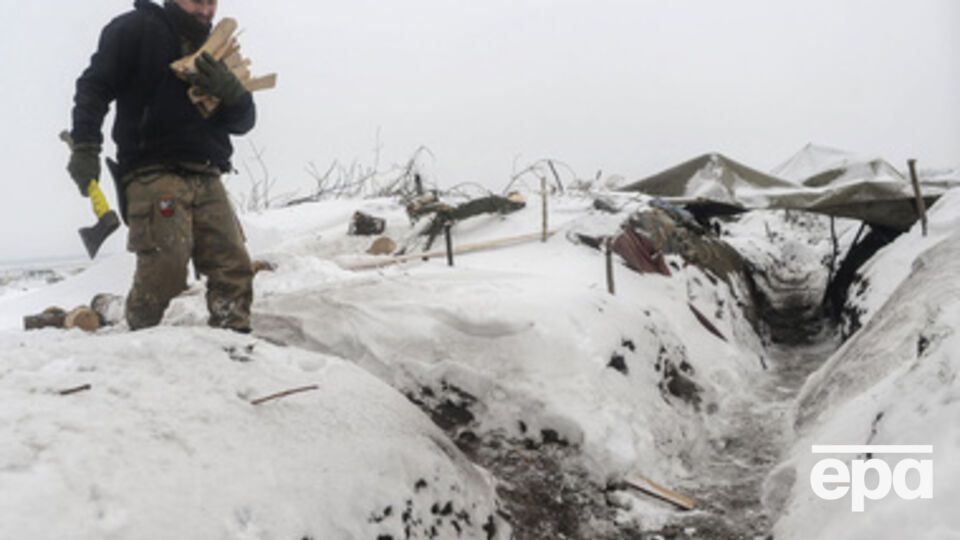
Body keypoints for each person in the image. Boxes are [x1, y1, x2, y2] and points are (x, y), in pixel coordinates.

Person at [67, 0, 256, 333]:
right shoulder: (135, 28)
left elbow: (243, 123)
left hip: (208, 171)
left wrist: (235, 97)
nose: (206, 11)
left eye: (212, 2)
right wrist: (85, 146)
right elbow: (94, 87)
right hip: (152, 171)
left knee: (233, 264)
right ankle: (143, 339)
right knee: (165, 267)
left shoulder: (216, 49)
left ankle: (233, 339)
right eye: (198, 1)